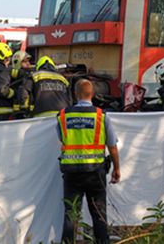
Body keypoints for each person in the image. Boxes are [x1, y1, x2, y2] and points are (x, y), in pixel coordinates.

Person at [58, 79, 120, 244]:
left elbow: (62, 139)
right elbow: (112, 146)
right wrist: (116, 169)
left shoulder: (63, 115)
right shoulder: (101, 116)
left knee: (71, 215)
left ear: (76, 94)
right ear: (92, 94)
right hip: (95, 173)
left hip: (71, 174)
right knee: (99, 215)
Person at [10, 50, 32, 118]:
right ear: (17, 62)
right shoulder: (11, 77)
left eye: (28, 61)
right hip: (17, 114)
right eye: (25, 62)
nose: (28, 64)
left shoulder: (30, 75)